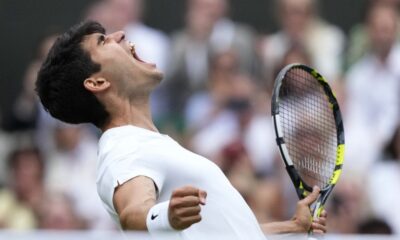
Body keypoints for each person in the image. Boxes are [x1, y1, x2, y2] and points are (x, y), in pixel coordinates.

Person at [35, 21, 327, 239]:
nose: (120, 35)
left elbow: (226, 233)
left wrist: (291, 226)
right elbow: (131, 212)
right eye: (103, 41)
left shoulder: (150, 145)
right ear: (97, 83)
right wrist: (167, 215)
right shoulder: (123, 148)